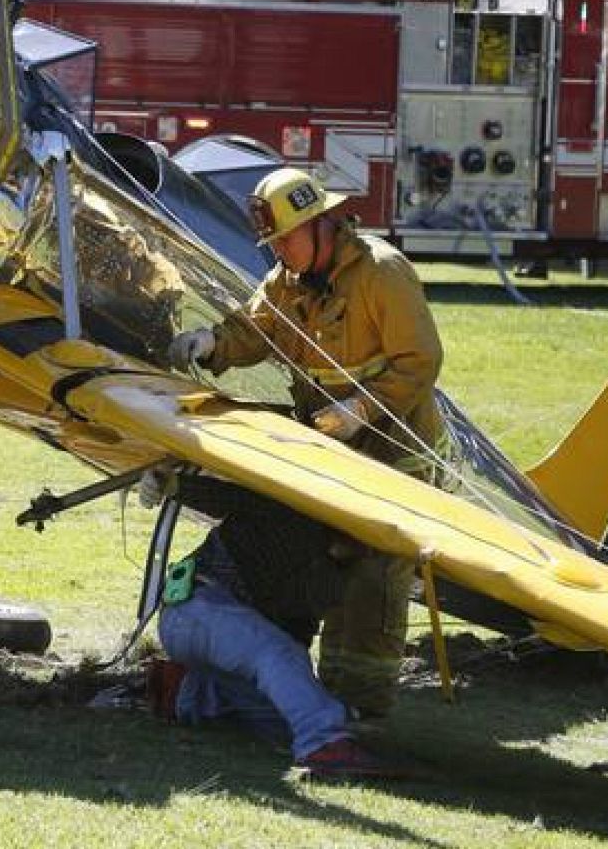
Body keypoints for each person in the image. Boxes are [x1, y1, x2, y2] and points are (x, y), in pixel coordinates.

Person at [165, 166, 449, 718]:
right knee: (319, 570)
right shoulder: (286, 283)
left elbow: (421, 361)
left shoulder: (382, 273)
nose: (280, 253)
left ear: (322, 225)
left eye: (287, 239)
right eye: (272, 243)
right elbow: (253, 331)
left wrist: (360, 409)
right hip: (336, 460)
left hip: (396, 461)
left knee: (372, 582)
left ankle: (359, 713)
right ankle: (303, 695)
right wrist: (209, 343)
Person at [146, 467, 400, 779]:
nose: (371, 549)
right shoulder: (292, 511)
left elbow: (295, 635)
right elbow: (234, 498)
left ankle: (185, 692)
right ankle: (324, 746)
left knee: (279, 720)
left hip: (211, 637)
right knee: (279, 656)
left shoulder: (336, 578)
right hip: (199, 605)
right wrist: (173, 483)